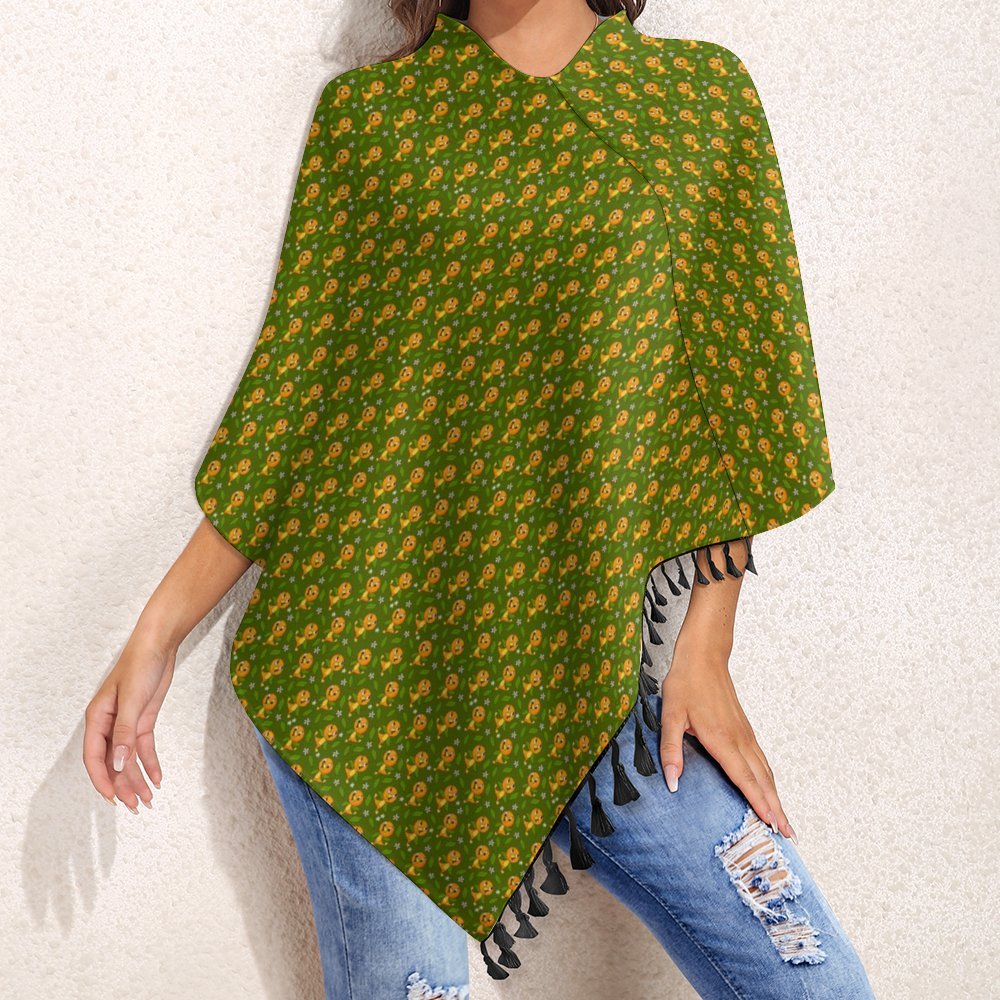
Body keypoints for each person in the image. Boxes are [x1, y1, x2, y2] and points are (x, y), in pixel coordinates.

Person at [83, 1, 876, 997]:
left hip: (589, 667)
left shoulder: (698, 102)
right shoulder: (376, 122)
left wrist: (705, 646)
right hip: (365, 677)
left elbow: (741, 389)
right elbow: (292, 405)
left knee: (810, 978)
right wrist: (157, 631)